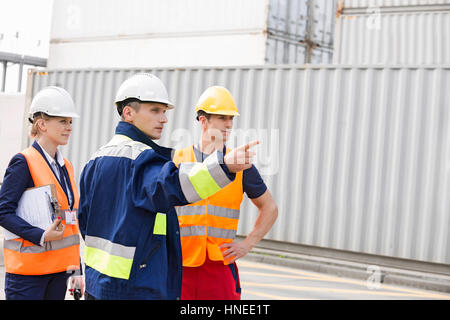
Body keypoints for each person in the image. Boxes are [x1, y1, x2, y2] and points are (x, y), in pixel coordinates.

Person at [78, 73, 258, 300]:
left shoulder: (94, 160)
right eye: (155, 110)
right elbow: (173, 184)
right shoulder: (141, 159)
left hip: (97, 283)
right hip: (134, 288)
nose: (163, 119)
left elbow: (84, 220)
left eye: (164, 112)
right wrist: (224, 166)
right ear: (128, 113)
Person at [173, 86, 278, 300]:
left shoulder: (240, 164)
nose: (229, 124)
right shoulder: (176, 161)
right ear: (203, 120)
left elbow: (270, 208)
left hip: (219, 267)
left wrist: (246, 244)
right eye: (222, 118)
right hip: (179, 265)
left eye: (231, 119)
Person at [0, 86, 84, 300]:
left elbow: (71, 222)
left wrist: (76, 270)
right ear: (42, 124)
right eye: (63, 121)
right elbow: (3, 211)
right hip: (27, 276)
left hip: (58, 273)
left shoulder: (67, 166)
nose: (69, 127)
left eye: (70, 122)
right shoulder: (23, 162)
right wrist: (40, 235)